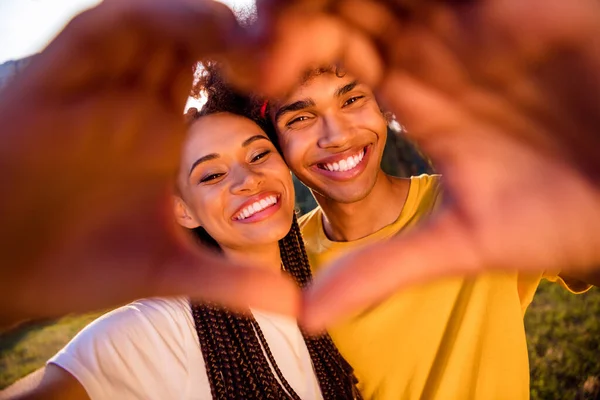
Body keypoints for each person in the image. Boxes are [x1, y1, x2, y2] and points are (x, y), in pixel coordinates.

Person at [240, 60, 596, 399]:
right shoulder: (281, 264)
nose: (337, 135)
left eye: (352, 98)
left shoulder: (477, 201)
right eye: (301, 118)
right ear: (271, 143)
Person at [3, 67, 360, 400]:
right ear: (183, 210)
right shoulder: (152, 332)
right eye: (212, 175)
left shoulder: (323, 285)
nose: (248, 180)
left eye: (258, 154)